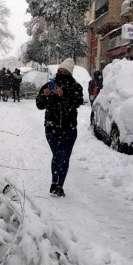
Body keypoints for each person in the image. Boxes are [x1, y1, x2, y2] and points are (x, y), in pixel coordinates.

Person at [36, 58, 83, 197]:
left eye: (64, 71)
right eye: (59, 71)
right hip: (52, 127)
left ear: (70, 73)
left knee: (65, 157)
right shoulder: (49, 85)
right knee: (58, 154)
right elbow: (39, 105)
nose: (61, 73)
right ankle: (54, 182)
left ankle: (59, 185)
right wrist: (45, 96)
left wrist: (63, 94)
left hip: (69, 127)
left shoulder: (75, 87)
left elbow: (79, 101)